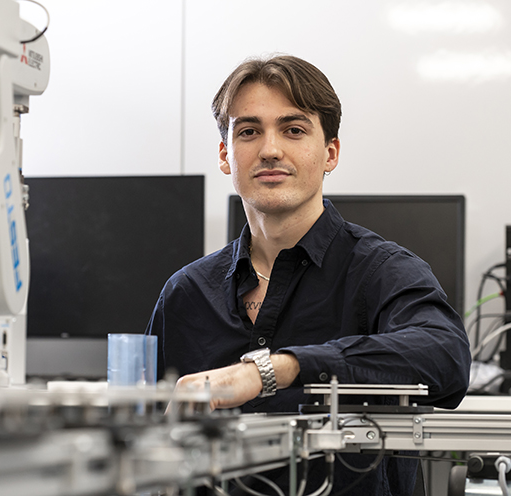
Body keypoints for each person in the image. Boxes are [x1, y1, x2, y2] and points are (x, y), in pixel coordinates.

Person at [146, 54, 471, 496]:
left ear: (330, 153)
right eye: (248, 131)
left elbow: (445, 356)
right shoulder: (185, 293)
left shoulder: (381, 271)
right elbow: (146, 436)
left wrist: (277, 369)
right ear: (226, 156)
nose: (270, 149)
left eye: (294, 129)